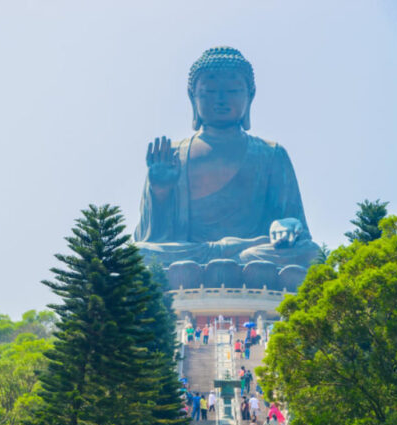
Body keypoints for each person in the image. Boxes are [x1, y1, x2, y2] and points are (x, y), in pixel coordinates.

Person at [133, 47, 321, 268]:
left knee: (310, 253)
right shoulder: (173, 155)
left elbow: (294, 222)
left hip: (252, 252)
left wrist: (287, 225)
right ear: (193, 98)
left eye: (232, 91)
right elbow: (150, 238)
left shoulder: (271, 154)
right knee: (137, 255)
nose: (221, 99)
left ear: (249, 97)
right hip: (189, 255)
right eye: (210, 92)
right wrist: (161, 191)